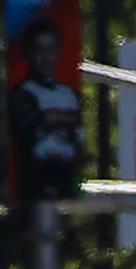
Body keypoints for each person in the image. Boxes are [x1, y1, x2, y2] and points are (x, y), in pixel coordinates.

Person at [8, 15, 84, 203]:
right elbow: (27, 128)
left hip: (69, 178)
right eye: (39, 51)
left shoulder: (71, 94)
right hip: (37, 182)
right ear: (28, 53)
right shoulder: (22, 93)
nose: (46, 58)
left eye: (51, 50)